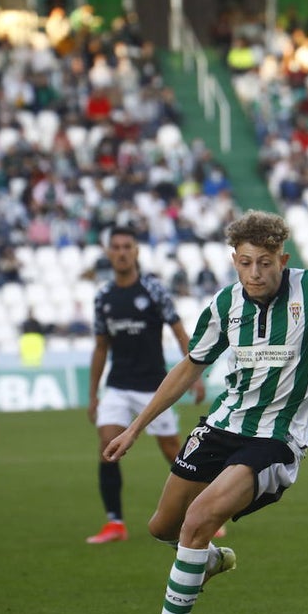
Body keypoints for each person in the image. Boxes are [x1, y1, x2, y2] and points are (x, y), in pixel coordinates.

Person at [104, 210, 308, 614]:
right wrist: (135, 428)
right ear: (234, 261)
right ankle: (209, 561)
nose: (255, 273)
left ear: (284, 258)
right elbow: (189, 368)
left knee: (197, 522)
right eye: (245, 263)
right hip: (222, 425)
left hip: (276, 438)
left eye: (265, 263)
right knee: (162, 528)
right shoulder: (223, 305)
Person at [86, 226, 207, 544]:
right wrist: (93, 395)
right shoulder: (103, 297)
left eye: (128, 246)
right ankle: (115, 523)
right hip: (117, 386)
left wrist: (194, 376)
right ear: (109, 253)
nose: (122, 252)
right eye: (116, 247)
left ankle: (202, 511)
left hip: (154, 387)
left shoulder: (154, 290)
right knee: (107, 447)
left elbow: (180, 332)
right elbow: (101, 347)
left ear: (136, 252)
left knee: (173, 451)